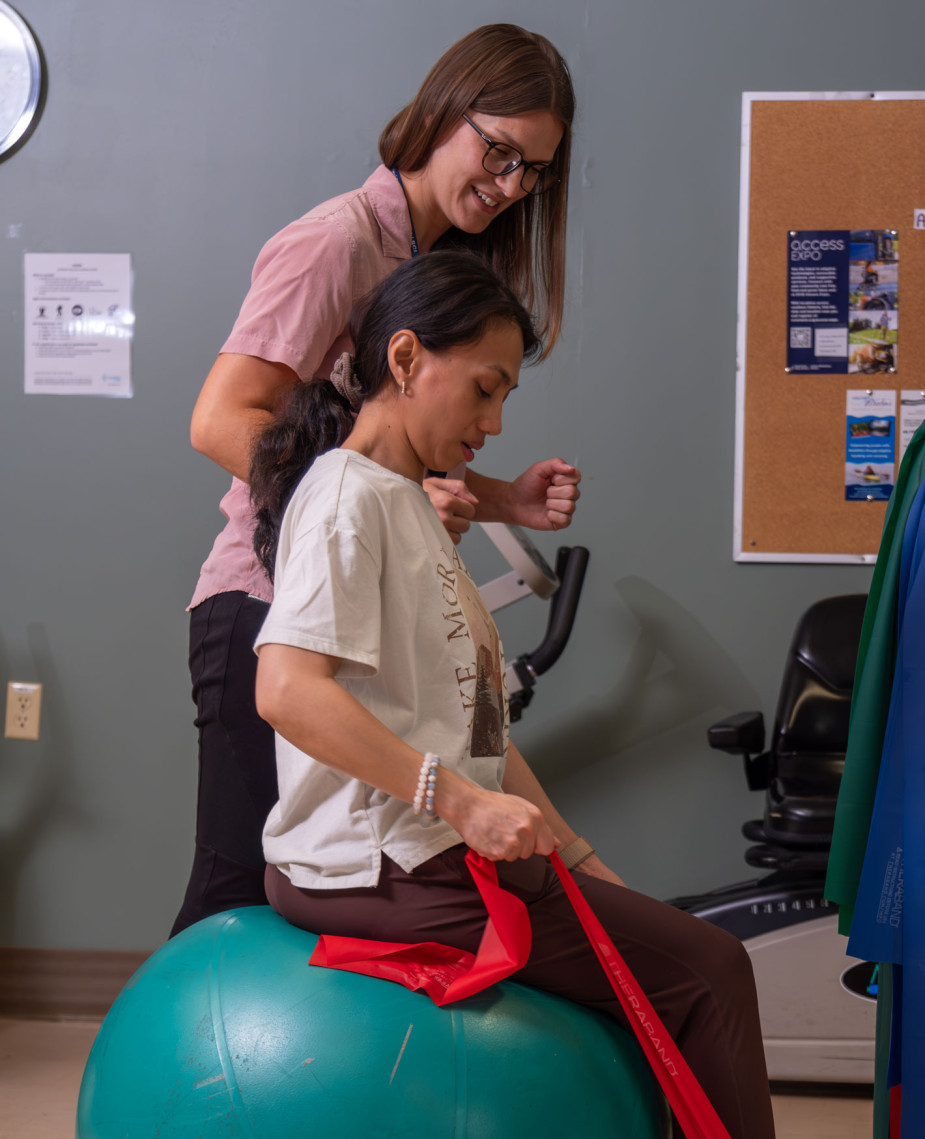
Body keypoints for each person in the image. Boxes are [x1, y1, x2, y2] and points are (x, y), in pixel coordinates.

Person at [251, 251, 776, 1139]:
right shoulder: (347, 499)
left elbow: (476, 733)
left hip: (425, 849)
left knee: (678, 948)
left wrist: (581, 859)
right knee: (713, 969)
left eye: (506, 400)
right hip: (377, 866)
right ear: (407, 359)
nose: (494, 421)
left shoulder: (409, 501)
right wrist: (456, 801)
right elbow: (286, 689)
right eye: (485, 389)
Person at [172, 24, 581, 936]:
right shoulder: (335, 243)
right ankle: (151, 1084)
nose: (510, 184)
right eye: (498, 150)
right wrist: (387, 509)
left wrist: (502, 496)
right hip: (267, 604)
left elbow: (383, 454)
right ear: (442, 112)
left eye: (534, 171)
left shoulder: (438, 265)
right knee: (234, 896)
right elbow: (220, 420)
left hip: (366, 623)